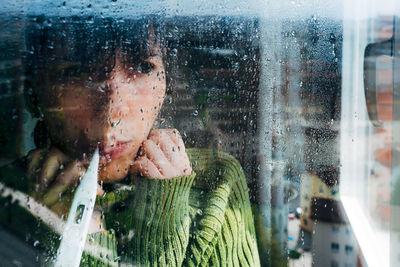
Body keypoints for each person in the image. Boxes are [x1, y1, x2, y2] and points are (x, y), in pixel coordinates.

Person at [0, 15, 260, 266]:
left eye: (143, 67)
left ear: (166, 81)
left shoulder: (215, 181)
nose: (112, 112)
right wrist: (77, 232)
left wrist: (163, 220)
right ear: (36, 90)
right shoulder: (8, 196)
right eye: (76, 72)